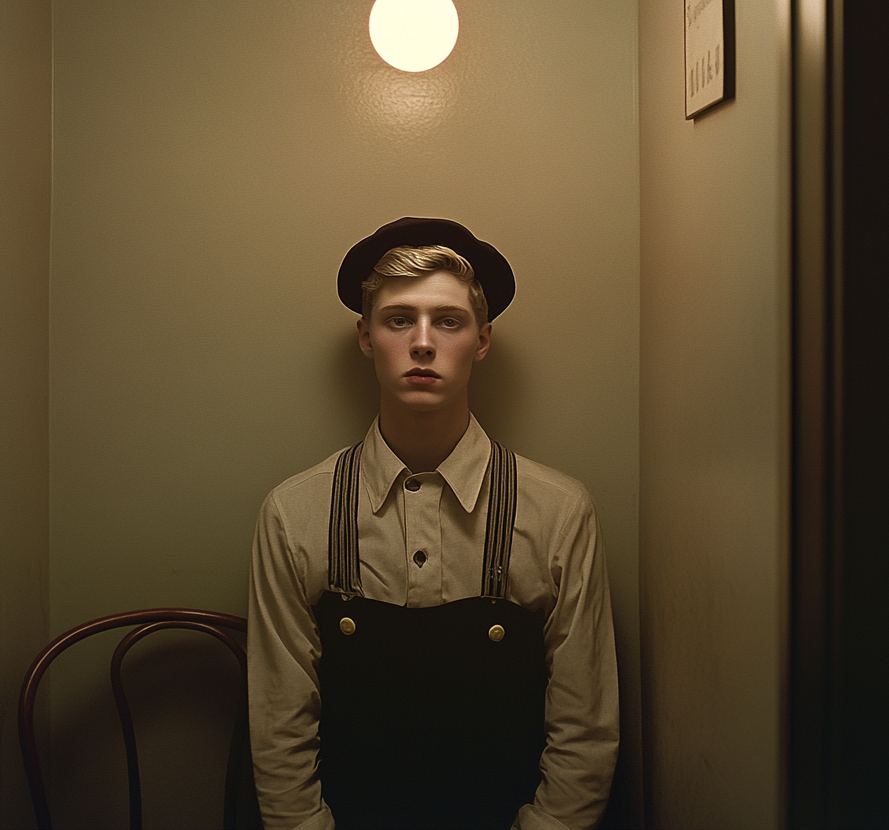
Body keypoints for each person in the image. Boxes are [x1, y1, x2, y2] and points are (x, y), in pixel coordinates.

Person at [248, 217, 619, 830]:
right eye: (399, 320)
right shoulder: (294, 514)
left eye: (448, 321)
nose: (423, 342)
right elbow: (279, 719)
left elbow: (585, 722)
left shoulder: (558, 512)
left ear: (482, 339)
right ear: (366, 336)